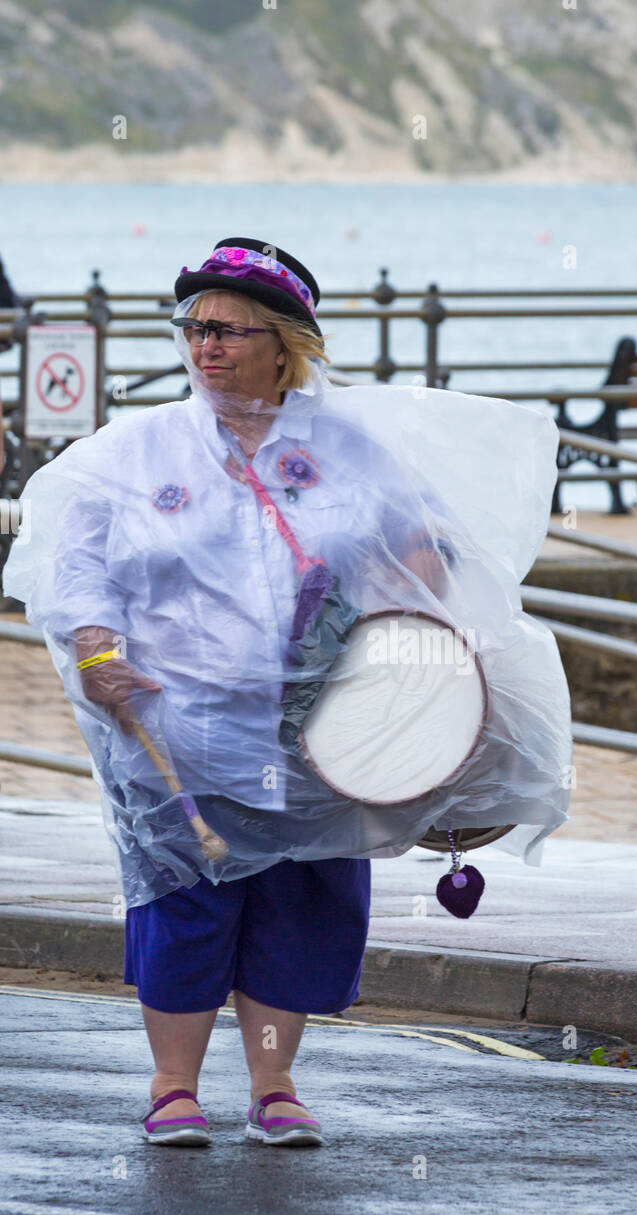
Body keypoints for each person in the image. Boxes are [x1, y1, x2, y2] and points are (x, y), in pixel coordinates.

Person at [3, 237, 570, 1148]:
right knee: (185, 902)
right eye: (192, 327)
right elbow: (76, 565)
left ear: (285, 343)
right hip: (178, 729)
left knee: (303, 905)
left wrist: (433, 665)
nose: (205, 345)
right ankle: (172, 1088)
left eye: (228, 329)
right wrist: (97, 652)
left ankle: (274, 1085)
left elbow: (416, 561)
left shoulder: (354, 449)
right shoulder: (132, 450)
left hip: (324, 734)